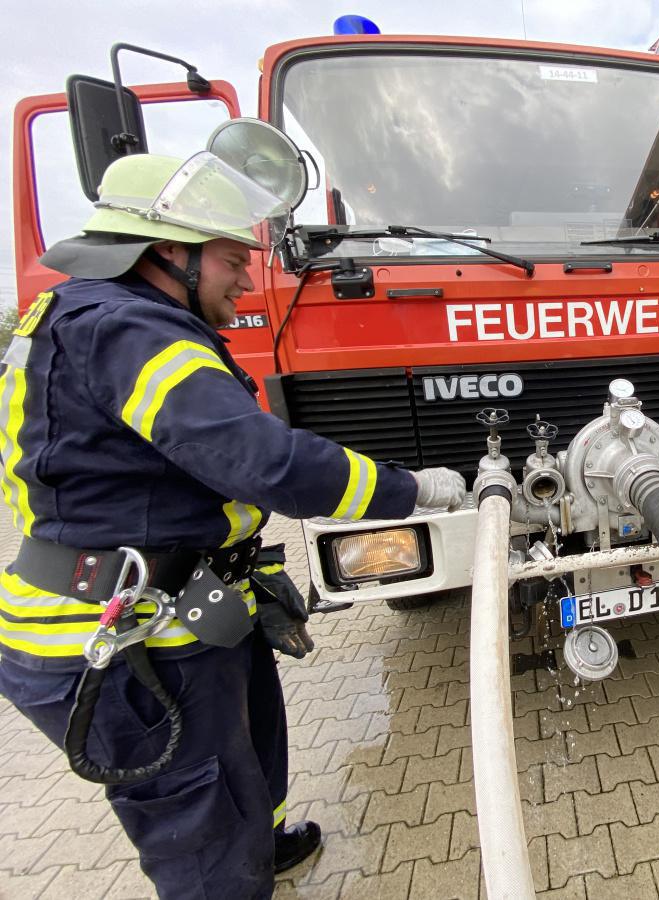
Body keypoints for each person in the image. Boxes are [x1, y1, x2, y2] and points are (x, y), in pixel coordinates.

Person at [0, 151, 467, 897]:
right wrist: (408, 488)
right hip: (127, 643)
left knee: (248, 751)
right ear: (167, 252)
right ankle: (235, 868)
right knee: (203, 836)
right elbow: (265, 465)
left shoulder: (87, 316)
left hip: (175, 608)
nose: (248, 280)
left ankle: (265, 841)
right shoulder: (125, 330)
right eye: (229, 259)